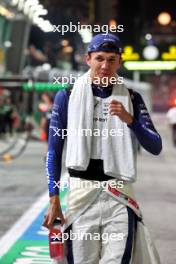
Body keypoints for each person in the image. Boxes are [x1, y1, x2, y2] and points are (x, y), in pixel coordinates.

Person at [43, 33, 162, 263]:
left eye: (111, 59)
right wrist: (53, 197)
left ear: (120, 61)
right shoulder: (66, 96)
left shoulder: (132, 98)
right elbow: (54, 151)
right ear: (88, 59)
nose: (105, 65)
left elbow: (155, 146)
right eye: (99, 58)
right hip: (81, 194)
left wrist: (131, 121)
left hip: (119, 196)